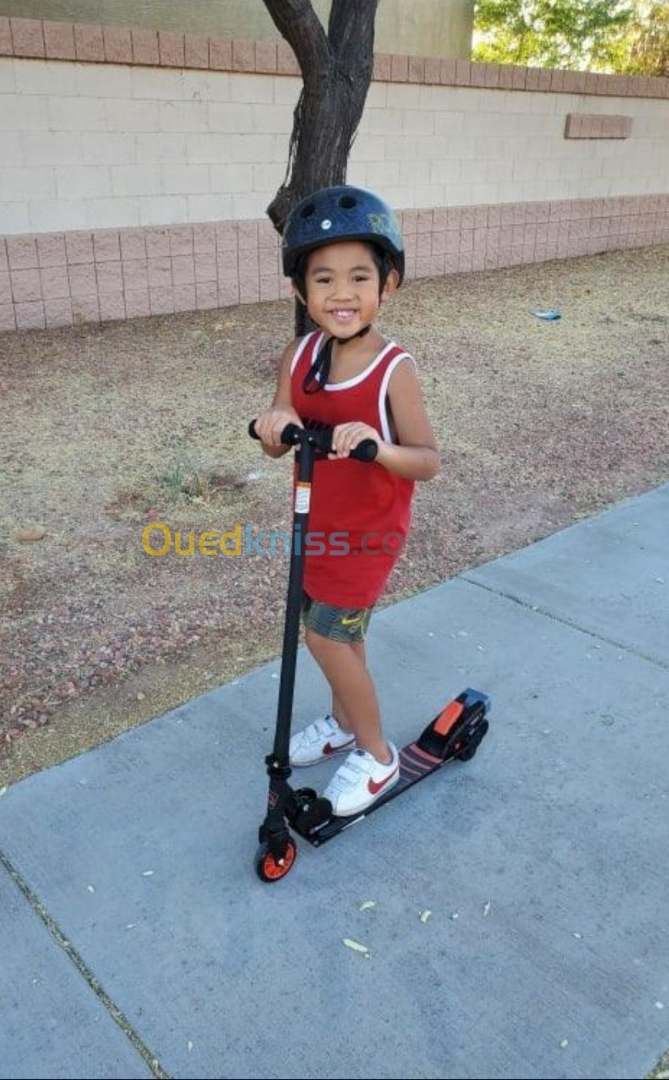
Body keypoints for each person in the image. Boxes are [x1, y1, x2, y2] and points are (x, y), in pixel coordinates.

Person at [253, 185, 440, 817]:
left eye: (359, 276)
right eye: (323, 277)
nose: (341, 292)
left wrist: (376, 445)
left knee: (326, 637)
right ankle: (341, 721)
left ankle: (377, 755)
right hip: (316, 526)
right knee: (344, 638)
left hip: (369, 534)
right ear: (302, 291)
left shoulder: (393, 369)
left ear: (388, 285)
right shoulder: (299, 355)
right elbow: (277, 443)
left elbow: (428, 460)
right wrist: (276, 422)